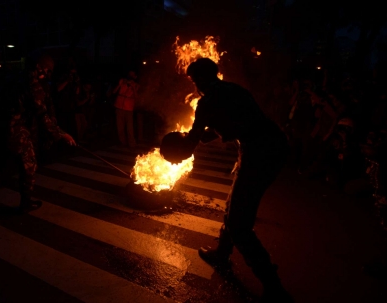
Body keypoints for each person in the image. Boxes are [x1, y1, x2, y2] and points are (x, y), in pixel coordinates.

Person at [160, 58, 293, 302]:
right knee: (234, 204)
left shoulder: (207, 101)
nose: (194, 84)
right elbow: (232, 124)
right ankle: (222, 253)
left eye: (193, 79)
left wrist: (175, 146)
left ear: (198, 79)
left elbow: (190, 146)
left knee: (239, 225)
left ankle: (274, 288)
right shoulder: (235, 89)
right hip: (272, 145)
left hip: (259, 154)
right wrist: (204, 133)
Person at [0, 51, 76, 213]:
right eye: (47, 71)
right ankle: (25, 202)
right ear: (41, 67)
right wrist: (60, 134)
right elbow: (41, 113)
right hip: (15, 129)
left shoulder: (12, 76)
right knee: (28, 165)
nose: (47, 75)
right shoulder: (32, 82)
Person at [112, 71, 139, 148]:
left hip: (129, 108)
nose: (130, 76)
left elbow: (137, 97)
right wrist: (119, 85)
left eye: (132, 74)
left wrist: (133, 87)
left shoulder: (136, 85)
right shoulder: (122, 82)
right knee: (120, 127)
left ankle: (132, 144)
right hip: (119, 107)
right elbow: (114, 92)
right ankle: (123, 143)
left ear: (135, 77)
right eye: (130, 74)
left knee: (129, 128)